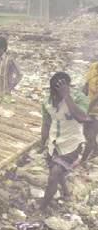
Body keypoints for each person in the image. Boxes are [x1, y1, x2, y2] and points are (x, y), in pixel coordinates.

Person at [40, 72, 88, 211]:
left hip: (72, 145)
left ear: (67, 88)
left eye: (58, 94)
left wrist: (66, 96)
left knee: (53, 176)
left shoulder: (78, 97)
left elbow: (81, 118)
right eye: (53, 93)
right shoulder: (46, 101)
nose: (55, 98)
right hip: (53, 144)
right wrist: (42, 144)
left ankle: (42, 208)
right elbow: (46, 124)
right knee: (55, 169)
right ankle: (66, 192)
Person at [80, 61, 98, 164]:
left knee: (91, 135)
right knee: (85, 132)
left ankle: (82, 160)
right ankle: (96, 149)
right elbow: (86, 87)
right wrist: (79, 99)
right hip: (89, 107)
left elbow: (96, 98)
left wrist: (87, 110)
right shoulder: (94, 66)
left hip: (95, 110)